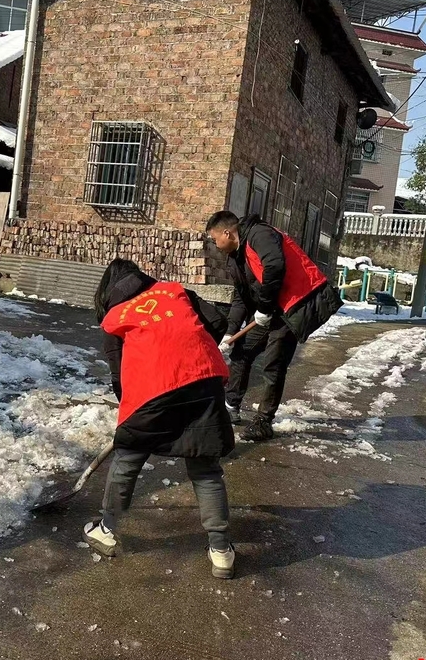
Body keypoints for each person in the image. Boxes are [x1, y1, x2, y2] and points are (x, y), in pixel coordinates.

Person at [83, 258, 237, 579]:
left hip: (152, 390)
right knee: (205, 466)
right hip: (203, 377)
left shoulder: (116, 317)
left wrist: (131, 425)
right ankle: (221, 551)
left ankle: (106, 529)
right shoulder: (174, 291)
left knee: (127, 458)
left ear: (107, 291)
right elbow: (217, 322)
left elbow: (120, 380)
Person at [205, 210, 343, 442]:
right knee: (242, 350)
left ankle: (263, 421)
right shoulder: (236, 259)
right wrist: (230, 332)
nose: (215, 244)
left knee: (273, 362)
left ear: (227, 233)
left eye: (215, 238)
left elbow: (275, 266)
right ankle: (231, 407)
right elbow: (241, 298)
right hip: (272, 309)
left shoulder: (260, 234)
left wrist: (265, 309)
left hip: (294, 306)